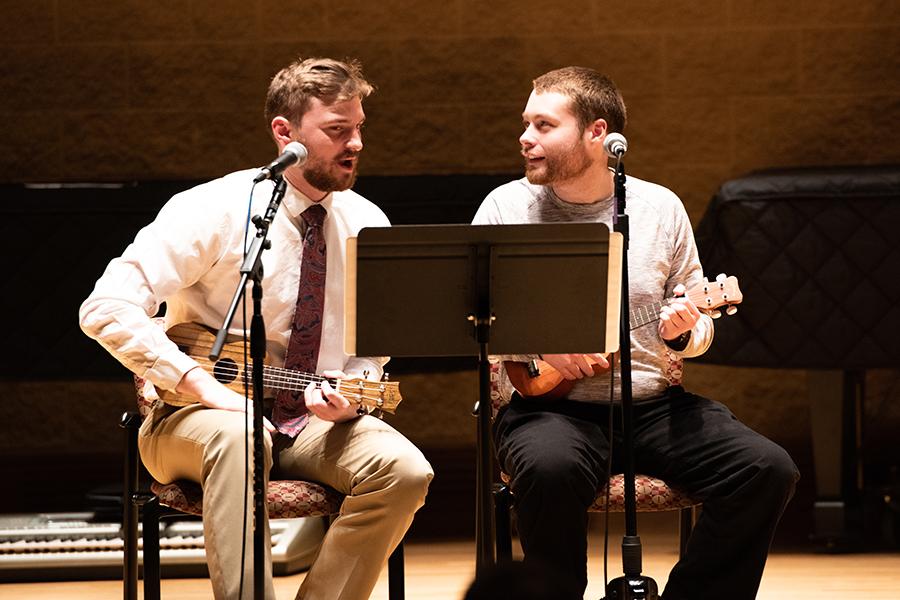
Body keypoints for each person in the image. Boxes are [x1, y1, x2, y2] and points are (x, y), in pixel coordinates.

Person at [80, 57, 433, 600]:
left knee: (404, 472)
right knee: (242, 436)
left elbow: (371, 350)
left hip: (308, 422)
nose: (356, 143)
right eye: (337, 130)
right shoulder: (211, 210)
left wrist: (352, 394)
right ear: (284, 133)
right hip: (193, 419)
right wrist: (201, 386)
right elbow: (105, 306)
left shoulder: (367, 221)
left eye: (359, 127)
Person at [471, 66, 799, 599]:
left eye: (544, 125)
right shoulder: (505, 208)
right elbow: (475, 318)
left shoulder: (659, 208)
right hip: (548, 410)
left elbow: (700, 327)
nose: (525, 138)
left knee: (766, 468)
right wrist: (538, 344)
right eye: (526, 124)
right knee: (548, 469)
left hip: (653, 406)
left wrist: (681, 332)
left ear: (597, 134)